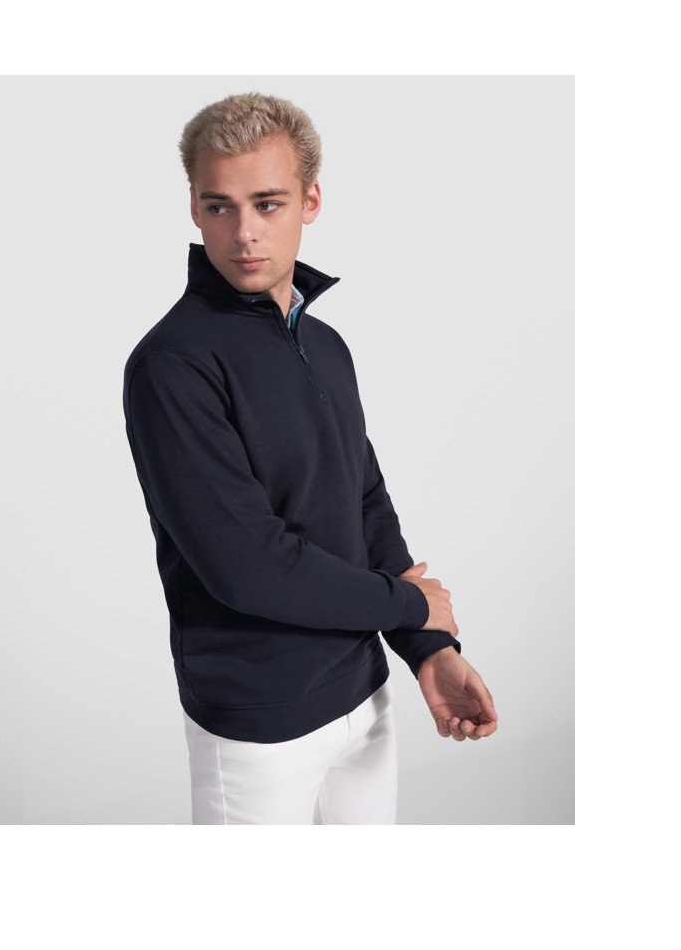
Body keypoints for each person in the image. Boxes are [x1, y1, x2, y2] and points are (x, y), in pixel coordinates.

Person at [122, 91, 498, 825]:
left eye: (268, 204)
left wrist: (427, 647)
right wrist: (408, 603)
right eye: (220, 207)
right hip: (259, 725)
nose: (244, 233)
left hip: (365, 699)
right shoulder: (172, 365)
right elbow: (248, 565)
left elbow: (364, 499)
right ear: (195, 209)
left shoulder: (323, 345)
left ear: (310, 201)